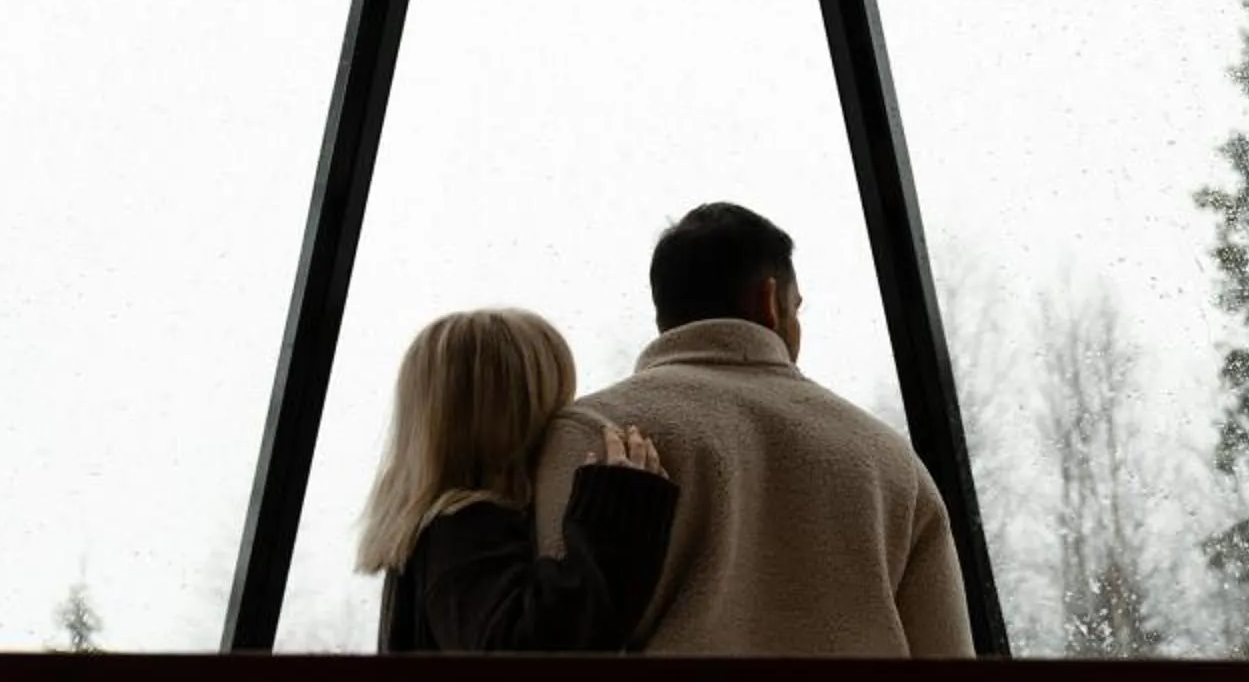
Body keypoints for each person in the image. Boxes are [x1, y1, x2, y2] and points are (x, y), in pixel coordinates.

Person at [531, 203, 973, 657]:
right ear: (770, 302)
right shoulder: (891, 460)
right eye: (796, 308)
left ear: (663, 312)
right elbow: (951, 673)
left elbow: (551, 649)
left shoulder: (589, 432)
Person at [356, 308, 677, 654]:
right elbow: (524, 653)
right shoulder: (464, 527)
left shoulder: (442, 532)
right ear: (520, 414)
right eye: (560, 401)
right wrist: (617, 511)